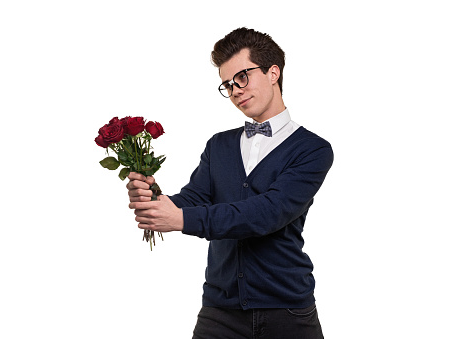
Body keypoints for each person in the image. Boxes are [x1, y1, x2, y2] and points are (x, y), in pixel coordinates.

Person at [127, 27, 333, 339]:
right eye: (227, 84)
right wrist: (155, 199)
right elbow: (195, 198)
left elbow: (267, 213)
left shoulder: (312, 150)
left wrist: (180, 219)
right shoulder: (219, 145)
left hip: (287, 311)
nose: (235, 89)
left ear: (273, 72)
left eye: (243, 77)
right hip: (219, 311)